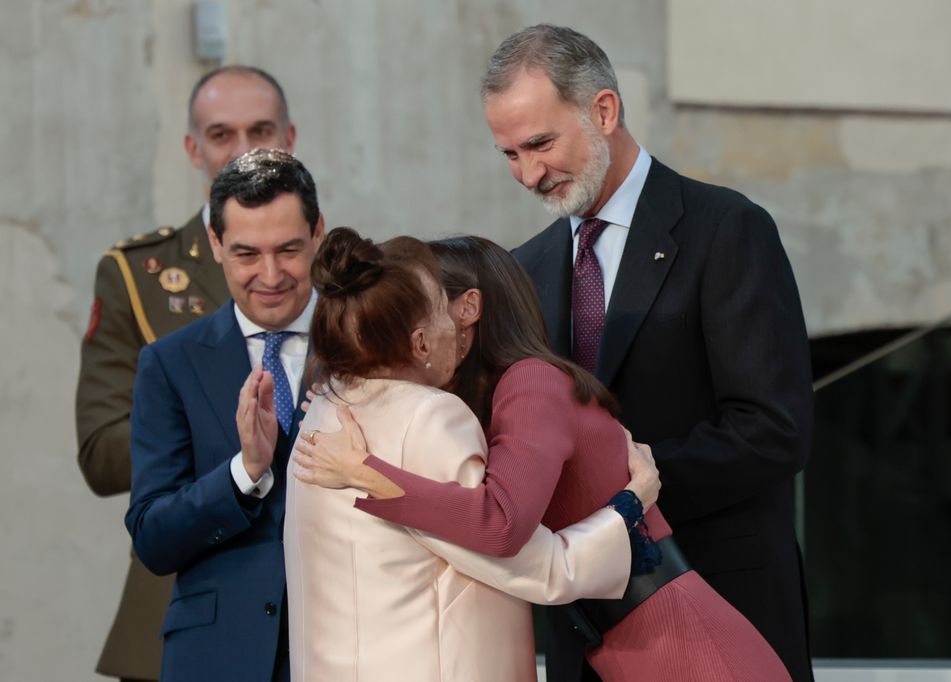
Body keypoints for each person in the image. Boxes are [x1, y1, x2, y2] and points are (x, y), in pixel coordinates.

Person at [292, 236, 792, 681]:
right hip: (623, 644)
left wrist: (369, 476)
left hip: (681, 647)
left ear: (467, 309)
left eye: (418, 307)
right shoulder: (483, 402)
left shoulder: (531, 382)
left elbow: (501, 522)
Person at [484, 25, 815, 682]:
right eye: (510, 154)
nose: (528, 174)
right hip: (587, 641)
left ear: (603, 110)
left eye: (541, 144)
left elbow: (776, 430)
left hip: (722, 616)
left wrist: (630, 494)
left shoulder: (727, 230)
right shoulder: (520, 273)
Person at [75, 65, 295, 681]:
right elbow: (99, 453)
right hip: (188, 594)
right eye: (223, 134)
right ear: (193, 149)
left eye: (262, 130)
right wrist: (221, 426)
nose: (245, 149)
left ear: (291, 136)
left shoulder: (333, 272)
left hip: (321, 609)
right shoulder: (137, 275)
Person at [125, 148, 320, 682]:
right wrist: (244, 474)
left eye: (288, 249)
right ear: (214, 242)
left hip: (347, 645)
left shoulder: (370, 344)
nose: (271, 274)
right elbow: (153, 538)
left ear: (318, 232)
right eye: (246, 254)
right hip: (217, 657)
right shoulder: (169, 363)